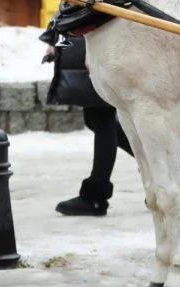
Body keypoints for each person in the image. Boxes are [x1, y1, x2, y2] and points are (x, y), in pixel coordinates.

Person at [41, 28, 134, 217]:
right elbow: (70, 9)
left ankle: (95, 196)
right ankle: (155, 164)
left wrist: (96, 50)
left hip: (97, 44)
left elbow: (103, 10)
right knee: (95, 120)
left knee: (102, 120)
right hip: (86, 42)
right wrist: (54, 37)